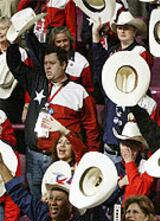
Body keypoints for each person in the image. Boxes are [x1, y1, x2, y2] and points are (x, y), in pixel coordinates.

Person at [6, 44, 101, 200]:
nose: (47, 67)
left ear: (63, 65)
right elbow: (14, 64)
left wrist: (89, 161)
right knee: (38, 207)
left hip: (61, 159)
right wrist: (15, 40)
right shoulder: (37, 82)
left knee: (60, 205)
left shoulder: (78, 92)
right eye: (45, 64)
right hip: (34, 157)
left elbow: (92, 130)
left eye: (52, 63)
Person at [91, 11, 158, 163]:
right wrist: (95, 38)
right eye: (120, 28)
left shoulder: (141, 52)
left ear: (134, 31)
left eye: (126, 28)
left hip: (132, 108)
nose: (122, 31)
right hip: (113, 111)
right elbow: (100, 71)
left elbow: (141, 81)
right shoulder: (113, 51)